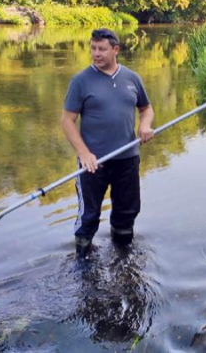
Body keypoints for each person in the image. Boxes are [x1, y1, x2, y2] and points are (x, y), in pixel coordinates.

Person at [61, 28, 155, 256]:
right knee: (89, 216)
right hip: (94, 162)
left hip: (127, 159)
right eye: (93, 48)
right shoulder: (81, 81)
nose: (96, 53)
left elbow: (146, 108)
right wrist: (84, 153)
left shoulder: (132, 78)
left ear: (116, 50)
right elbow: (67, 121)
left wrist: (144, 125)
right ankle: (83, 265)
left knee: (126, 214)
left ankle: (123, 259)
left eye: (101, 49)